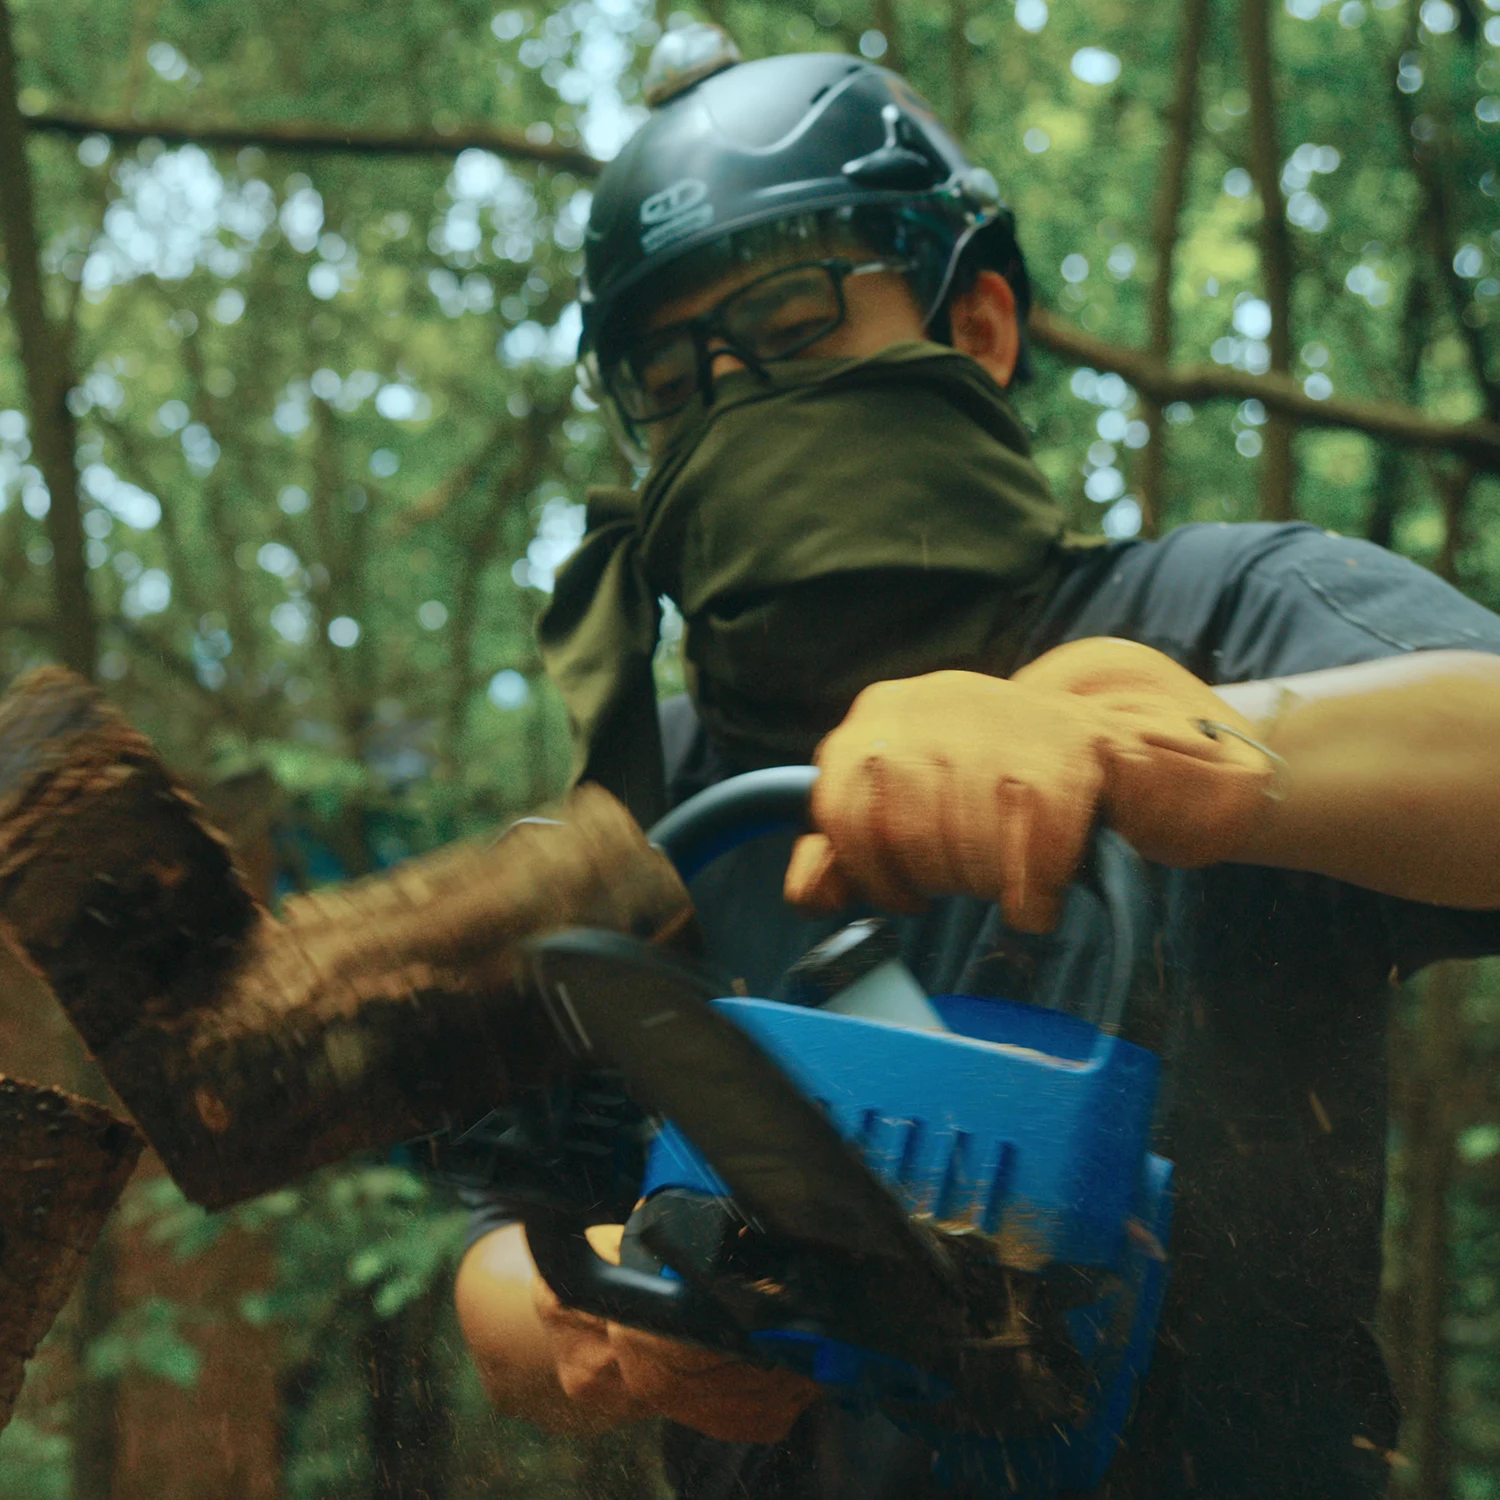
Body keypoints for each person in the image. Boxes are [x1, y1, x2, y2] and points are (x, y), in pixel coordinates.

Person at [455, 28, 1500, 1499]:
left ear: (982, 324)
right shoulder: (649, 800)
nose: (735, 399)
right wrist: (593, 1318)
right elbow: (504, 1244)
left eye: (797, 317)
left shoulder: (1222, 612)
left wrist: (1169, 743)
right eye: (673, 379)